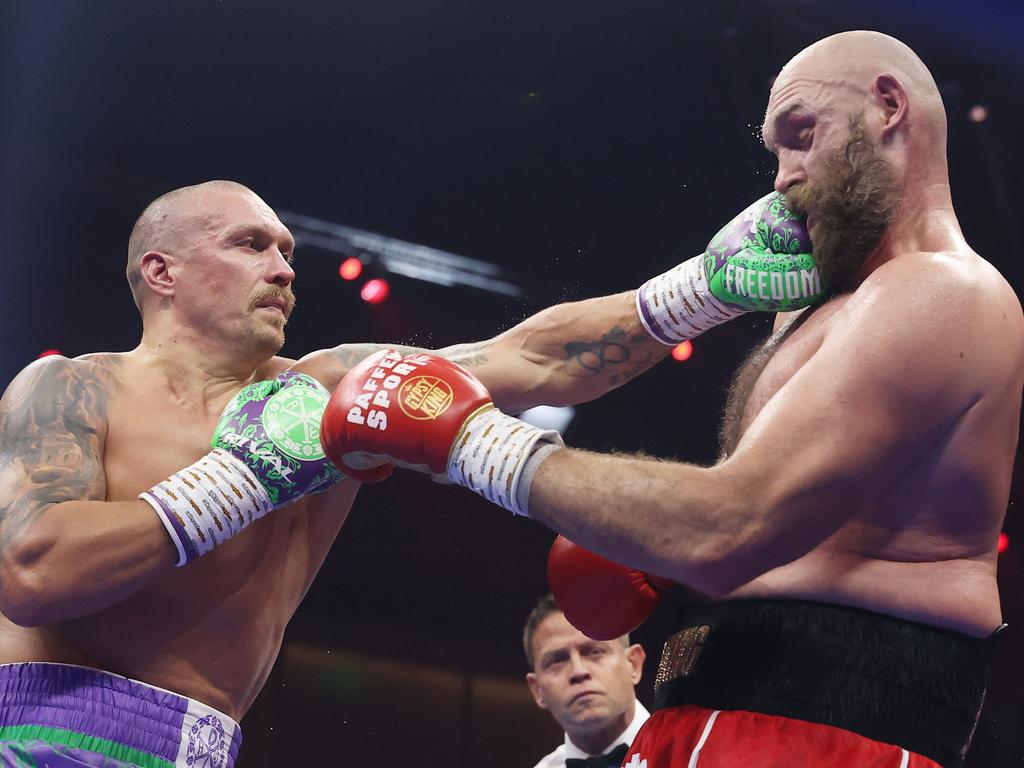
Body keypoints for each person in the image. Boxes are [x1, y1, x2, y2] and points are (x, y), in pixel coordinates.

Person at [322, 30, 1024, 768]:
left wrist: (469, 441)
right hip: (705, 713)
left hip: (829, 735)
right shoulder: (812, 303)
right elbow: (544, 357)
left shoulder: (942, 292)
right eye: (775, 151)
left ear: (887, 107)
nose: (783, 177)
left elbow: (728, 530)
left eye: (801, 135)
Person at [0, 176, 810, 766]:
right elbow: (35, 570)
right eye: (250, 245)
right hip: (29, 730)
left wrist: (701, 289)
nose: (284, 269)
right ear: (161, 271)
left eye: (287, 251)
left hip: (196, 745)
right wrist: (240, 477)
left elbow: (531, 359)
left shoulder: (321, 392)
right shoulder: (73, 386)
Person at [524, 595, 648, 768]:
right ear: (537, 690)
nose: (578, 671)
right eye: (557, 660)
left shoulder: (688, 751)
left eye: (595, 651)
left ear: (633, 664)